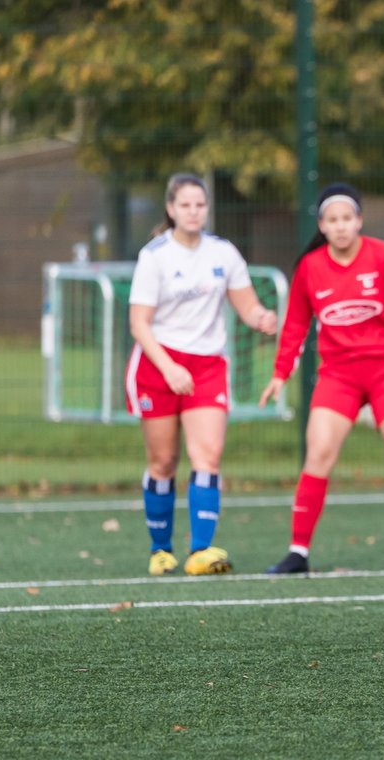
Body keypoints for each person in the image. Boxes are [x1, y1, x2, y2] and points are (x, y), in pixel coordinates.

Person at [259, 183, 384, 574]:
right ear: (322, 225)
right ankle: (298, 553)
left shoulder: (382, 255)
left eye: (347, 218)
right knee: (318, 454)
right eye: (332, 220)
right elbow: (296, 325)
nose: (341, 226)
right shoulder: (310, 267)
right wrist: (280, 373)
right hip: (338, 375)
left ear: (359, 221)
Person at [126, 172, 278, 576]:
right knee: (163, 460)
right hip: (159, 365)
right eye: (185, 205)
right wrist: (170, 367)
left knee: (207, 455)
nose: (193, 212)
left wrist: (262, 317)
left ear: (207, 209)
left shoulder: (223, 253)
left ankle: (201, 552)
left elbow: (246, 306)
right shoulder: (155, 256)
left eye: (200, 205)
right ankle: (161, 550)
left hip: (208, 365)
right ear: (171, 209)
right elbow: (139, 323)